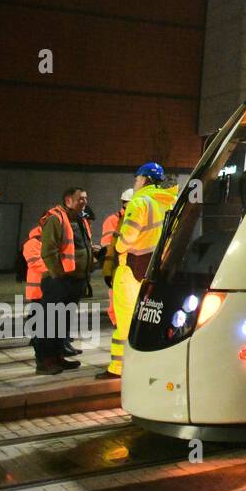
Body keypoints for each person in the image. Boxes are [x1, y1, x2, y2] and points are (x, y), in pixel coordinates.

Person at [100, 163, 179, 380]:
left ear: (144, 180)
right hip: (155, 270)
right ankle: (147, 365)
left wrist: (118, 248)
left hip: (131, 269)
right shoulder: (169, 202)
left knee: (125, 320)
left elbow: (126, 239)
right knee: (149, 319)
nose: (135, 183)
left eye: (137, 179)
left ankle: (117, 368)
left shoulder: (140, 202)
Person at [23, 188, 92, 374]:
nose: (84, 202)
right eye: (80, 199)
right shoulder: (56, 218)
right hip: (60, 281)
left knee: (62, 322)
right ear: (68, 200)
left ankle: (58, 357)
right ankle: (45, 361)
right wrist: (58, 275)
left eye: (86, 198)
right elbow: (48, 251)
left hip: (75, 281)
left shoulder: (80, 219)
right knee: (49, 322)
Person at [98, 188, 133, 329]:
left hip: (131, 263)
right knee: (116, 293)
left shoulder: (135, 219)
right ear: (125, 203)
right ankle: (116, 321)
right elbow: (107, 244)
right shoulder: (113, 220)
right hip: (117, 263)